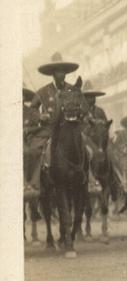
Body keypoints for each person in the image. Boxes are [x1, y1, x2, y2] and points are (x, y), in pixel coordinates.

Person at [27, 53, 82, 200]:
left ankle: (89, 180)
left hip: (69, 129)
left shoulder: (72, 90)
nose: (61, 74)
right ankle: (34, 184)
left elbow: (82, 106)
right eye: (58, 71)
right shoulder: (43, 91)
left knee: (87, 149)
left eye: (63, 71)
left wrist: (79, 113)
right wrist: (40, 116)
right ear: (53, 74)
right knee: (34, 150)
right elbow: (32, 108)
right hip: (49, 130)